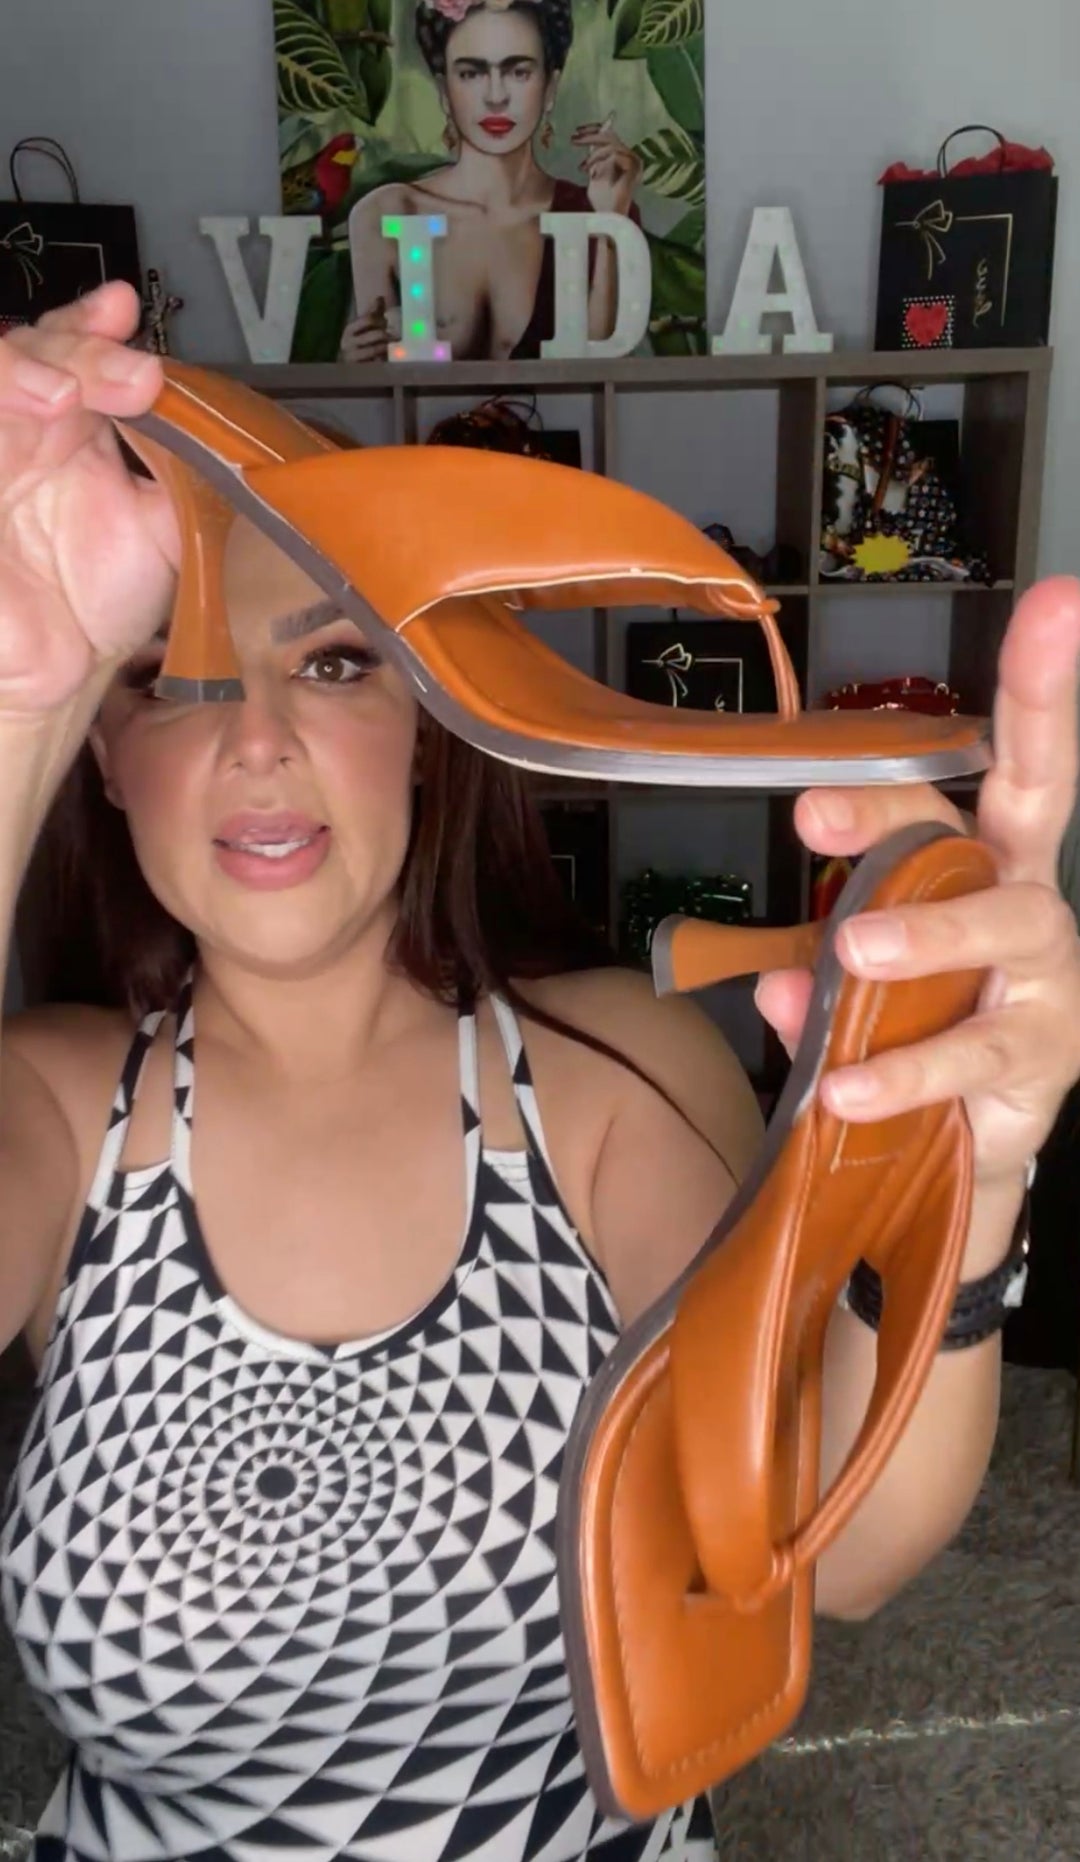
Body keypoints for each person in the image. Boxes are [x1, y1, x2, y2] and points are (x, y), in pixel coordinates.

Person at [0, 282, 1079, 1862]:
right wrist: (20, 695)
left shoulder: (605, 1075)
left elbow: (834, 1554)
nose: (256, 742)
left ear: (431, 722)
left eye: (338, 664)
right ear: (106, 751)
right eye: (171, 676)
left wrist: (963, 1187)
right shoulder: (55, 1107)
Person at [340, 0, 642, 363]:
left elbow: (600, 367)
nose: (496, 96)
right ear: (444, 90)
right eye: (471, 73)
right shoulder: (387, 214)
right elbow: (383, 380)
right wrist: (356, 363)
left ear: (550, 87)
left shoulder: (597, 213)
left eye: (519, 72)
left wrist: (610, 224)